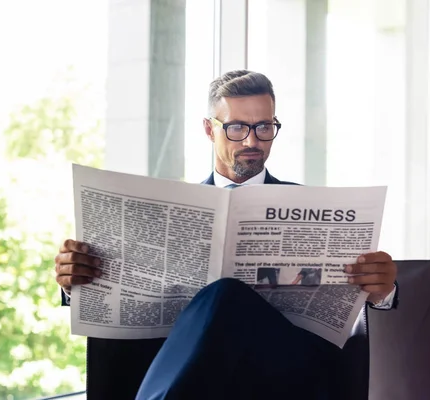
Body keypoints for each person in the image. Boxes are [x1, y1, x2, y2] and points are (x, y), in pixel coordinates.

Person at [54, 70, 398, 399]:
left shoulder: (314, 207)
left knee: (227, 295)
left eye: (265, 126)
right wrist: (78, 283)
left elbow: (353, 309)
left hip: (288, 374)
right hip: (199, 377)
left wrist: (383, 292)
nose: (252, 141)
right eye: (237, 127)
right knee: (217, 306)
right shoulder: (171, 210)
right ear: (209, 129)